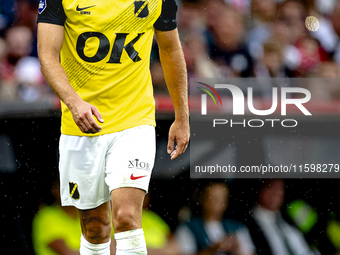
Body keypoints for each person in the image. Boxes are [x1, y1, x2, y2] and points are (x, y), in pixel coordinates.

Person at [37, 0, 190, 254]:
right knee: (96, 227)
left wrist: (182, 117)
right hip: (83, 125)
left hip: (134, 119)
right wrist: (75, 103)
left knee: (127, 217)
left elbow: (170, 48)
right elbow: (47, 55)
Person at [175, 182, 255, 255]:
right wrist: (212, 249)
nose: (217, 202)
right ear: (202, 198)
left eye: (222, 198)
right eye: (213, 198)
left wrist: (237, 248)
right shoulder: (188, 228)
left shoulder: (238, 227)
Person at [246, 179, 313, 255]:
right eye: (271, 187)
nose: (277, 193)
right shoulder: (248, 225)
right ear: (260, 190)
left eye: (280, 189)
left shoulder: (290, 216)